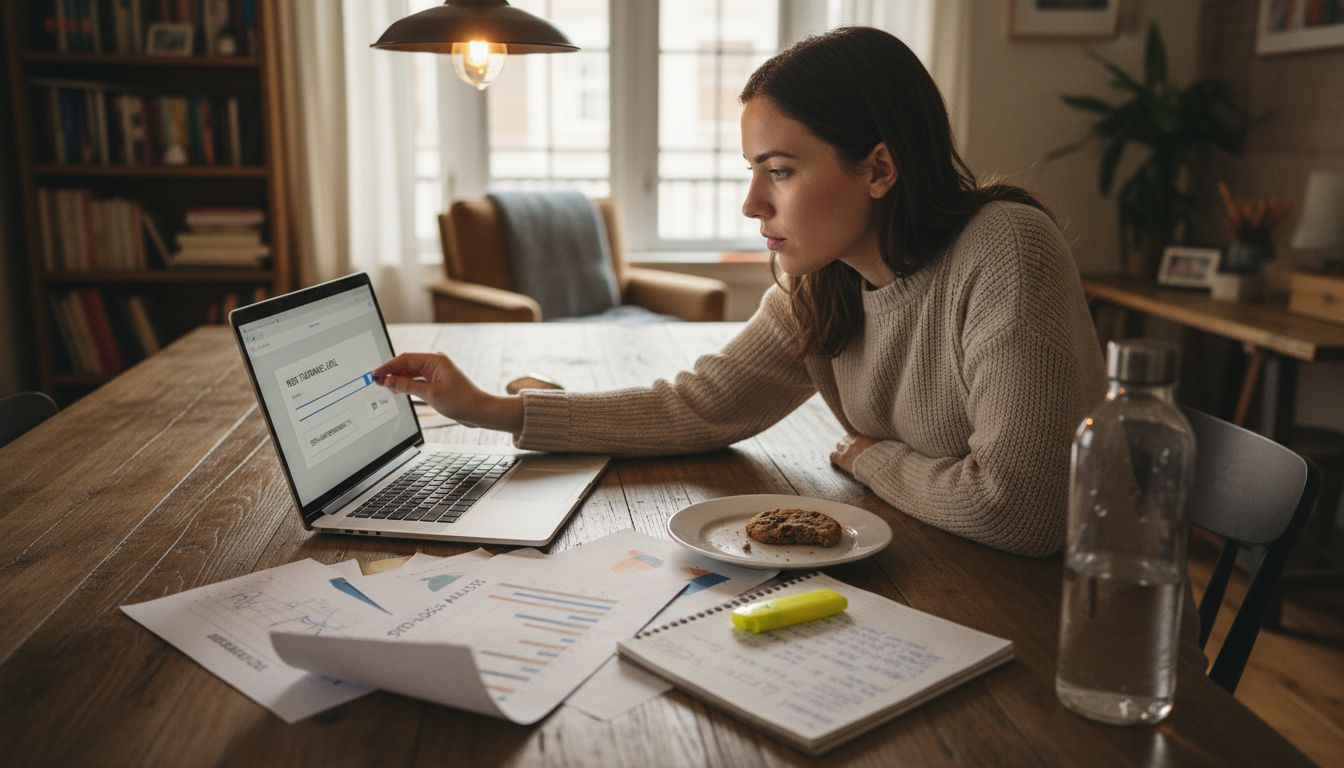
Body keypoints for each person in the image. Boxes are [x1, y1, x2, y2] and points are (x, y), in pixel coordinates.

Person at [373, 26, 1106, 559]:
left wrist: (868, 458)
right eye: (752, 170)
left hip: (1076, 624)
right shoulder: (820, 285)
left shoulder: (1005, 251)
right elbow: (692, 406)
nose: (752, 203)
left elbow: (1024, 510)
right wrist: (488, 410)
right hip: (944, 568)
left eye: (780, 170)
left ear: (879, 169)